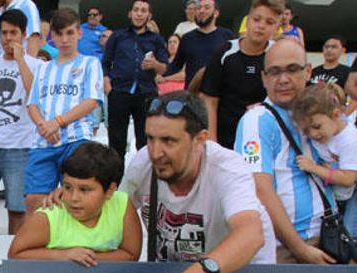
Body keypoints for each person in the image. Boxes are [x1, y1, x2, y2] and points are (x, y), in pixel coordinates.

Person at [123, 91, 274, 273]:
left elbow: (251, 233)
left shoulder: (227, 168)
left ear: (200, 140)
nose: (155, 152)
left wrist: (205, 269)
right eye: (150, 138)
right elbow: (112, 214)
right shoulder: (142, 163)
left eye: (169, 141)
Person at [235, 39, 334, 264]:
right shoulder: (258, 120)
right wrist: (300, 249)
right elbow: (260, 189)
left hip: (328, 238)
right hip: (289, 249)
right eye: (274, 72)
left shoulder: (320, 111)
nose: (283, 80)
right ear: (263, 78)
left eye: (292, 69)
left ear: (308, 71)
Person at [10, 141, 140, 265]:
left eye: (84, 190)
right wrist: (62, 255)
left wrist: (87, 258)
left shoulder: (122, 205)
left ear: (110, 191)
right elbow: (15, 254)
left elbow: (131, 254)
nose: (74, 198)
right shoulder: (49, 216)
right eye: (67, 187)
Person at [25, 8, 103, 214]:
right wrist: (44, 126)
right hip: (44, 141)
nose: (65, 39)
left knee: (75, 199)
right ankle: (41, 244)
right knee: (34, 200)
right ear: (52, 36)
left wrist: (57, 122)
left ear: (79, 33)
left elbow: (91, 101)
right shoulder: (43, 68)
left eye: (70, 32)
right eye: (59, 34)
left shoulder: (90, 63)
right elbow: (32, 104)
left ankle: (74, 244)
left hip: (76, 139)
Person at [200, 0, 282, 150]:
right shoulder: (225, 52)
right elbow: (209, 100)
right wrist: (212, 143)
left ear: (277, 28)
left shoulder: (278, 55)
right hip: (225, 139)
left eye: (269, 22)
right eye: (257, 19)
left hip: (263, 139)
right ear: (248, 20)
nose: (261, 26)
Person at [102, 0, 168, 162]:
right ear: (130, 13)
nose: (139, 14)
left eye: (143, 10)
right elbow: (105, 62)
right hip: (119, 91)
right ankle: (115, 184)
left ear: (149, 15)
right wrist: (107, 84)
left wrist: (155, 64)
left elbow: (166, 68)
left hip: (146, 92)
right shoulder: (118, 36)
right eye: (136, 10)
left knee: (145, 142)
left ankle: (144, 183)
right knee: (116, 142)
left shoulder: (157, 39)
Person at [290, 84, 357, 234]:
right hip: (336, 196)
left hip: (350, 195)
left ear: (336, 115)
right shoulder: (325, 129)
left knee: (349, 233)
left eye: (317, 126)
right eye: (306, 130)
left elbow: (348, 179)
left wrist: (314, 168)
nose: (313, 134)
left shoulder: (349, 139)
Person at [165, 0, 234, 88]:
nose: (201, 11)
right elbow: (176, 65)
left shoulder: (227, 36)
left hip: (220, 95)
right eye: (199, 8)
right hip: (193, 95)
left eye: (207, 7)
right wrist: (158, 69)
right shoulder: (187, 38)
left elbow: (236, 65)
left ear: (216, 13)